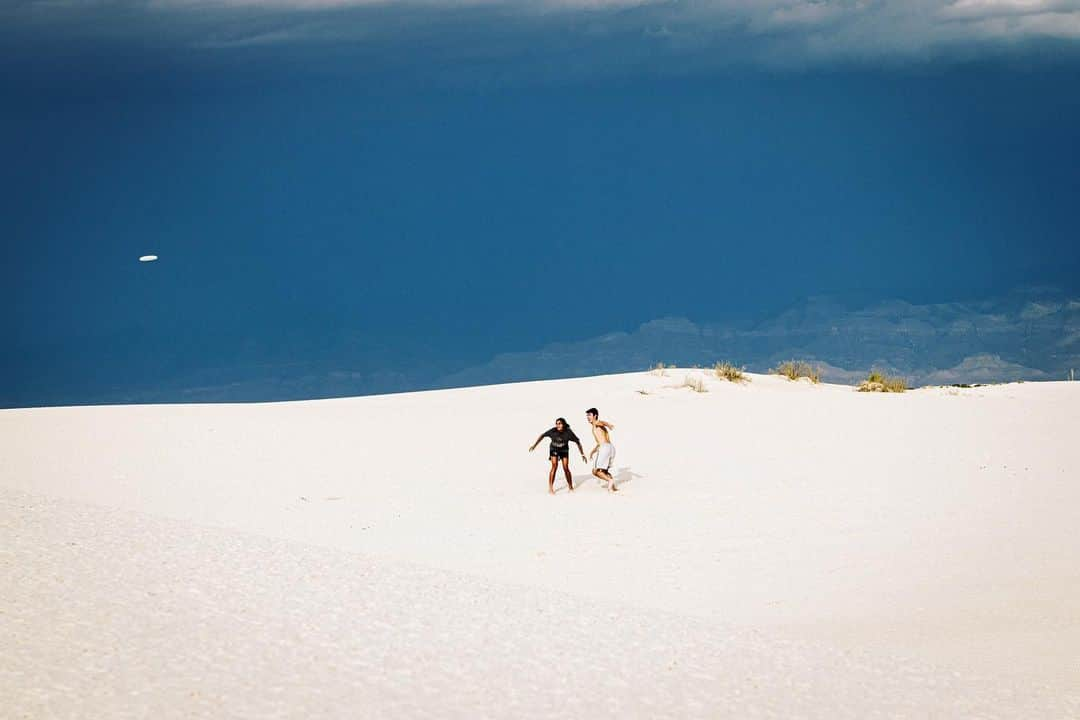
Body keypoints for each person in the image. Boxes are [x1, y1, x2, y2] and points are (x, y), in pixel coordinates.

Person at [529, 417, 587, 495]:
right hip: (554, 449)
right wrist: (534, 446)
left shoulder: (568, 432)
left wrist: (582, 454)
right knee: (554, 466)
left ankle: (570, 487)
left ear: (563, 424)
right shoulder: (553, 431)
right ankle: (550, 488)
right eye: (556, 424)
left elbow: (578, 442)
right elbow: (542, 435)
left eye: (559, 424)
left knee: (566, 467)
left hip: (564, 450)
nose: (557, 425)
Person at [586, 407, 617, 492]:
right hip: (611, 448)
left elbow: (602, 422)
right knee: (604, 471)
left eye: (589, 415)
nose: (588, 417)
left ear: (595, 416)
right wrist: (593, 451)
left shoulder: (596, 423)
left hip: (605, 448)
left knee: (595, 471)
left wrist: (608, 425)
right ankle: (613, 487)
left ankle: (610, 481)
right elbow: (599, 443)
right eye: (587, 415)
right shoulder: (595, 426)